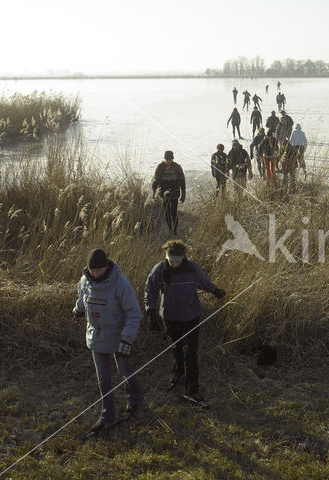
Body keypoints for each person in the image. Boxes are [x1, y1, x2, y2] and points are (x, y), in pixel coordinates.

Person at [145, 240, 226, 404]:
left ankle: (192, 388)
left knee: (191, 352)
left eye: (177, 260)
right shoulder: (159, 270)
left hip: (191, 316)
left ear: (183, 257)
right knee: (176, 346)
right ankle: (178, 373)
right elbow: (150, 290)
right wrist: (151, 310)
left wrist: (215, 290)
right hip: (169, 316)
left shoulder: (192, 268)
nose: (174, 263)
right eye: (171, 260)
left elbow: (204, 282)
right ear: (166, 257)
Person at [73, 248, 142, 434]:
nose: (95, 274)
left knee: (124, 370)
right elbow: (82, 297)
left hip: (118, 336)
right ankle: (107, 415)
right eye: (92, 270)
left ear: (107, 267)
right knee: (103, 378)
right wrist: (78, 309)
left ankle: (135, 399)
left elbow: (133, 313)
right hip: (96, 335)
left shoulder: (121, 283)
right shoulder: (85, 281)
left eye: (99, 270)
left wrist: (126, 340)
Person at [152, 150, 186, 236]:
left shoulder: (177, 167)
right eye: (167, 159)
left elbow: (182, 180)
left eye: (170, 159)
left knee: (174, 211)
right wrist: (154, 192)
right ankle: (170, 229)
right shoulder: (160, 167)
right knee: (167, 211)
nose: (168, 161)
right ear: (165, 158)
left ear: (172, 159)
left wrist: (183, 194)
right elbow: (156, 179)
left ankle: (175, 231)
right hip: (164, 191)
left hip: (175, 190)